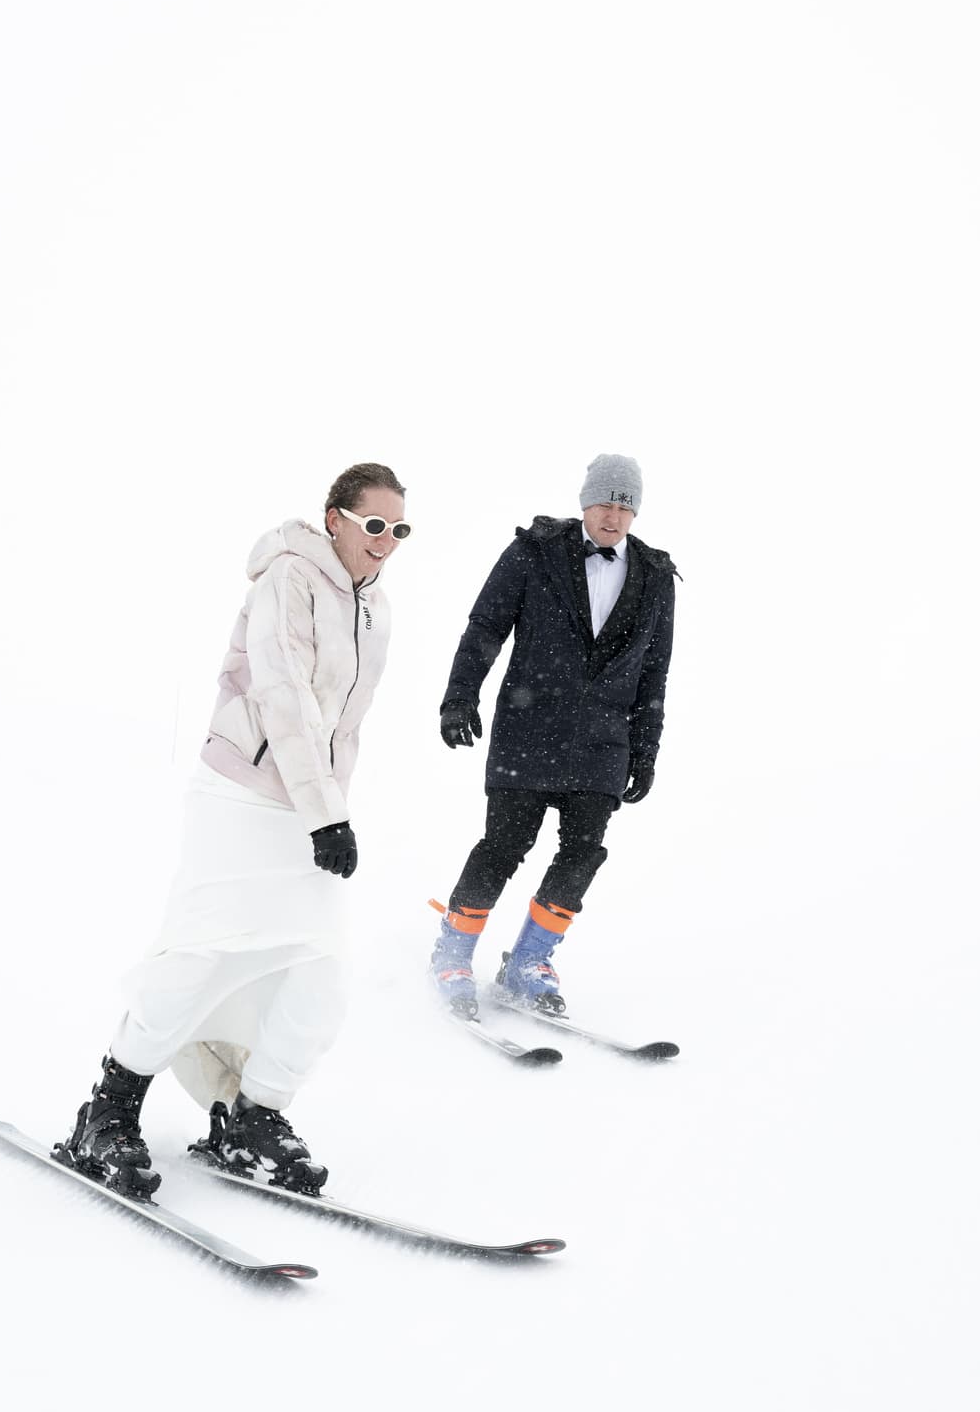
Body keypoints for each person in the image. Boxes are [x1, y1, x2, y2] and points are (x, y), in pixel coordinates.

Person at [57, 463, 409, 1197]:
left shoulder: (374, 605)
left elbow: (342, 723)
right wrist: (327, 814)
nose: (386, 541)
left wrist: (329, 806)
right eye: (374, 524)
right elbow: (283, 696)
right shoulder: (288, 576)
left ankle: (252, 1116)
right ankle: (109, 1108)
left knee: (320, 970)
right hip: (241, 796)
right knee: (200, 954)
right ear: (335, 519)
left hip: (310, 807)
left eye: (399, 529)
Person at [428, 452, 675, 1018]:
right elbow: (486, 625)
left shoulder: (657, 575)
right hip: (529, 730)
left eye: (625, 506)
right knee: (503, 847)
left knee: (583, 854)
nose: (613, 515)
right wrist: (459, 696)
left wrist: (645, 750)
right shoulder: (535, 551)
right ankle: (453, 952)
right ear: (585, 502)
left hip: (603, 743)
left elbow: (655, 671)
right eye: (604, 502)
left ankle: (529, 961)